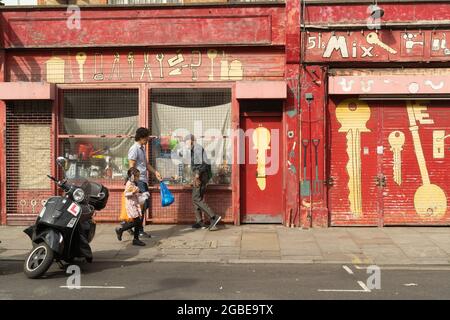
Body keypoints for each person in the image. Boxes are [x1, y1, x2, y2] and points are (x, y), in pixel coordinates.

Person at [126, 127, 162, 238]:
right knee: (143, 205)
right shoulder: (134, 149)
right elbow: (131, 167)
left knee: (144, 205)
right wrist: (133, 183)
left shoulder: (142, 149)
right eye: (146, 137)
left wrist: (155, 172)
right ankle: (138, 229)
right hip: (139, 181)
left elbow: (146, 165)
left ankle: (129, 225)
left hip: (143, 180)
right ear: (141, 137)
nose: (147, 140)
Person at [184, 134, 221, 231]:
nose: (185, 144)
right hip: (201, 176)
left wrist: (197, 176)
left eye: (186, 141)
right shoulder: (195, 149)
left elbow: (201, 164)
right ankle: (199, 221)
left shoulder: (197, 149)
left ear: (191, 140)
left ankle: (213, 217)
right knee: (196, 198)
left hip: (201, 176)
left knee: (196, 198)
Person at [115, 167, 147, 246]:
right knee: (137, 222)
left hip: (134, 204)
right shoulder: (129, 184)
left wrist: (140, 194)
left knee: (137, 222)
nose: (138, 178)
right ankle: (121, 230)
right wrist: (133, 192)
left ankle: (135, 239)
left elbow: (135, 192)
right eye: (137, 176)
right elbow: (126, 194)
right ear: (132, 176)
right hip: (131, 205)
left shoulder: (132, 183)